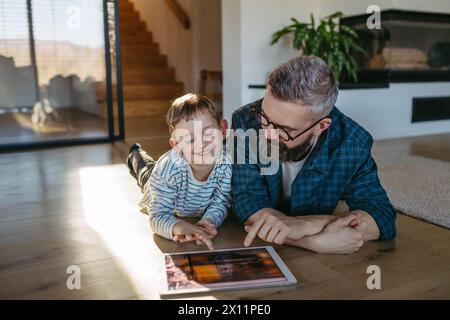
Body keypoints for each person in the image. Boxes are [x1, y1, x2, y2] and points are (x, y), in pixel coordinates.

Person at [231, 56, 396, 254]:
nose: (267, 133)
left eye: (285, 129)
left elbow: (382, 216)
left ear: (321, 126)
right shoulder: (245, 120)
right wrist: (311, 242)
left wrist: (306, 225)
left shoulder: (352, 144)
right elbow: (246, 198)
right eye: (264, 117)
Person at [127, 93, 232, 250]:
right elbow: (158, 216)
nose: (201, 144)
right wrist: (179, 227)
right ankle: (135, 153)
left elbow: (221, 201)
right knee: (144, 169)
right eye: (190, 139)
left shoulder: (227, 163)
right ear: (176, 145)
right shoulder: (166, 170)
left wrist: (209, 222)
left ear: (222, 130)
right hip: (157, 179)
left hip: (174, 175)